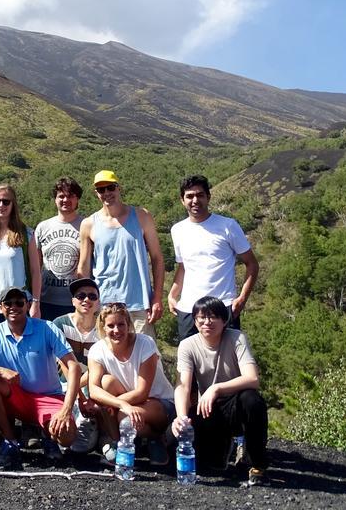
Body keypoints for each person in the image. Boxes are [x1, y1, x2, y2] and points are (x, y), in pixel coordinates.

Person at [0, 286, 80, 469]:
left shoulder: (47, 328)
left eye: (19, 302)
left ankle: (48, 438)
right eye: (8, 303)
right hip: (17, 397)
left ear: (28, 305)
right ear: (0, 307)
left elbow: (73, 366)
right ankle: (10, 441)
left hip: (48, 398)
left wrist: (66, 409)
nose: (13, 306)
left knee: (68, 435)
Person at [171, 296, 269, 486]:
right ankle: (223, 447)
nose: (207, 322)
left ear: (224, 320)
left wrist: (216, 388)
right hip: (209, 408)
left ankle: (258, 463)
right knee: (207, 464)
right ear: (195, 320)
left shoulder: (236, 338)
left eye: (213, 317)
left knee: (252, 400)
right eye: (201, 317)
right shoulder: (187, 345)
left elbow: (252, 378)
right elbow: (183, 385)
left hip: (236, 403)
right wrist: (181, 418)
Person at [168, 176, 260, 342]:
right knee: (191, 365)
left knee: (226, 364)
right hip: (189, 310)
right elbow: (183, 266)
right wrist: (172, 294)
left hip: (222, 307)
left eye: (200, 195)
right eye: (189, 196)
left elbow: (252, 264)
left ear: (208, 197)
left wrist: (242, 300)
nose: (195, 200)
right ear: (182, 200)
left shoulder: (228, 226)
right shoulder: (177, 230)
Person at [77, 170, 164, 340]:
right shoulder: (88, 224)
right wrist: (84, 302)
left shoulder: (142, 216)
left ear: (119, 188)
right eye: (101, 190)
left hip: (139, 304)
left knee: (144, 359)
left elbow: (157, 258)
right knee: (108, 361)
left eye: (110, 187)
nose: (107, 193)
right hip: (104, 305)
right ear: (96, 193)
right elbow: (84, 266)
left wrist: (157, 297)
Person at [88, 302, 175, 467]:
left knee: (124, 418)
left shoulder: (145, 343)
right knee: (106, 383)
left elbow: (142, 392)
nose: (116, 330)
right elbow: (94, 389)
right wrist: (120, 403)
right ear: (103, 327)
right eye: (111, 326)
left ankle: (155, 438)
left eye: (121, 324)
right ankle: (118, 442)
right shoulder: (97, 350)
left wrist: (115, 406)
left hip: (158, 402)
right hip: (128, 402)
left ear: (128, 324)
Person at [0, 184, 41, 326]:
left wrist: (36, 302)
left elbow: (36, 271)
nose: (1, 205)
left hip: (19, 303)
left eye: (6, 201)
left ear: (13, 204)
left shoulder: (26, 234)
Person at [52, 277, 102, 454]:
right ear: (73, 301)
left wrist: (81, 393)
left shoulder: (103, 329)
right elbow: (62, 363)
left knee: (83, 446)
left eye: (92, 296)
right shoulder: (59, 324)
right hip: (61, 384)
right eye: (81, 296)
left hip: (90, 385)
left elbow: (99, 367)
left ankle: (103, 434)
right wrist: (77, 395)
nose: (86, 300)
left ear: (98, 303)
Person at [35, 177, 85, 321]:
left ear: (78, 199)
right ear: (55, 199)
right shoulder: (43, 227)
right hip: (46, 301)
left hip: (76, 303)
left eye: (70, 196)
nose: (65, 200)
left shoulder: (87, 226)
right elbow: (36, 267)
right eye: (61, 196)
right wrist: (35, 301)